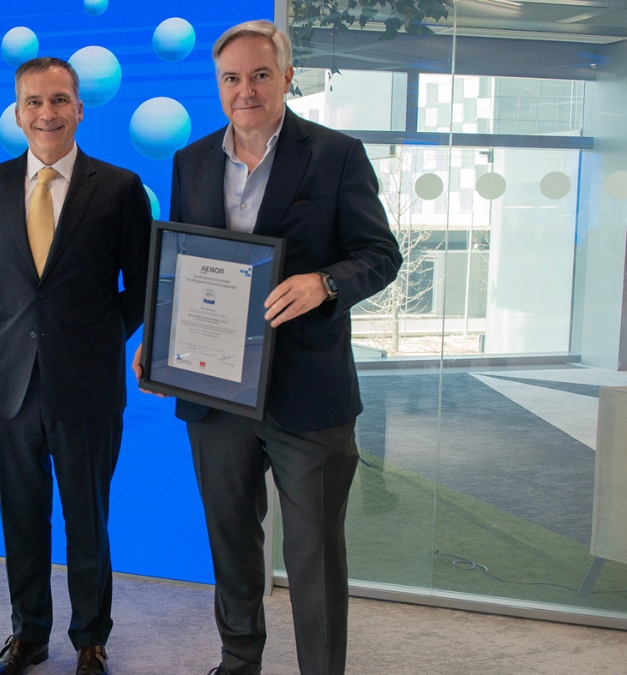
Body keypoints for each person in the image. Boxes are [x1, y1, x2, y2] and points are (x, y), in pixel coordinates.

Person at [132, 21, 402, 675]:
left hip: (309, 393)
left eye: (259, 75)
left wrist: (325, 282)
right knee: (229, 536)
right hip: (213, 385)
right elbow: (178, 262)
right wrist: (155, 335)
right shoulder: (191, 161)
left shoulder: (336, 155)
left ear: (286, 77)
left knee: (313, 549)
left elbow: (380, 255)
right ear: (217, 85)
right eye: (231, 78)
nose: (244, 90)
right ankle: (238, 658)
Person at [0, 57, 152, 675]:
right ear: (18, 113)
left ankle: (91, 639)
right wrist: (23, 336)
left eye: (60, 100)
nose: (48, 113)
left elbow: (141, 287)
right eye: (35, 102)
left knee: (86, 518)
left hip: (88, 382)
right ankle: (29, 634)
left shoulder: (119, 188)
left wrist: (92, 340)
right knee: (21, 516)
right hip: (9, 382)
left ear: (79, 108)